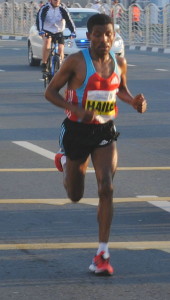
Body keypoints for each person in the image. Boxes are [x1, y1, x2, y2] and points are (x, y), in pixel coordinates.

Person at [45, 14, 147, 276]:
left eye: (109, 34)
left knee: (107, 187)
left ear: (114, 36)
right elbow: (50, 92)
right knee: (75, 195)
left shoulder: (119, 62)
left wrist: (133, 101)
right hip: (76, 131)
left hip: (104, 130)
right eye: (99, 34)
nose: (104, 39)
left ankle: (102, 253)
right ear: (89, 36)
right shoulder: (76, 62)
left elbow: (120, 90)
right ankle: (66, 160)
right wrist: (75, 109)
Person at [36, 0, 76, 73]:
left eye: (58, 0)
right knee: (47, 44)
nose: (57, 2)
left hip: (58, 31)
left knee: (61, 49)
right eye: (55, 0)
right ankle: (44, 63)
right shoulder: (45, 8)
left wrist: (73, 32)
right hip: (47, 30)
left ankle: (60, 66)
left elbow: (69, 20)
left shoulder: (62, 9)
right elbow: (40, 19)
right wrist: (41, 30)